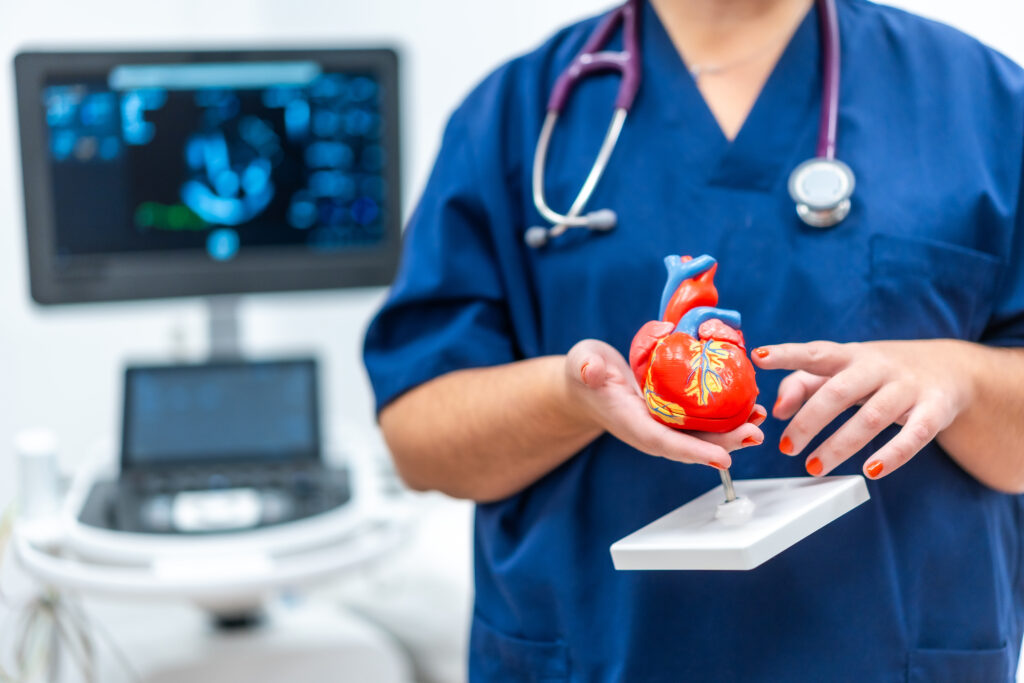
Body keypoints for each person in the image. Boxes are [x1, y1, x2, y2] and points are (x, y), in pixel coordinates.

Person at [363, 0, 1024, 679]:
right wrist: (568, 397)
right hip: (596, 655)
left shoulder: (982, 105)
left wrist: (962, 377)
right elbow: (420, 438)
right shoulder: (516, 117)